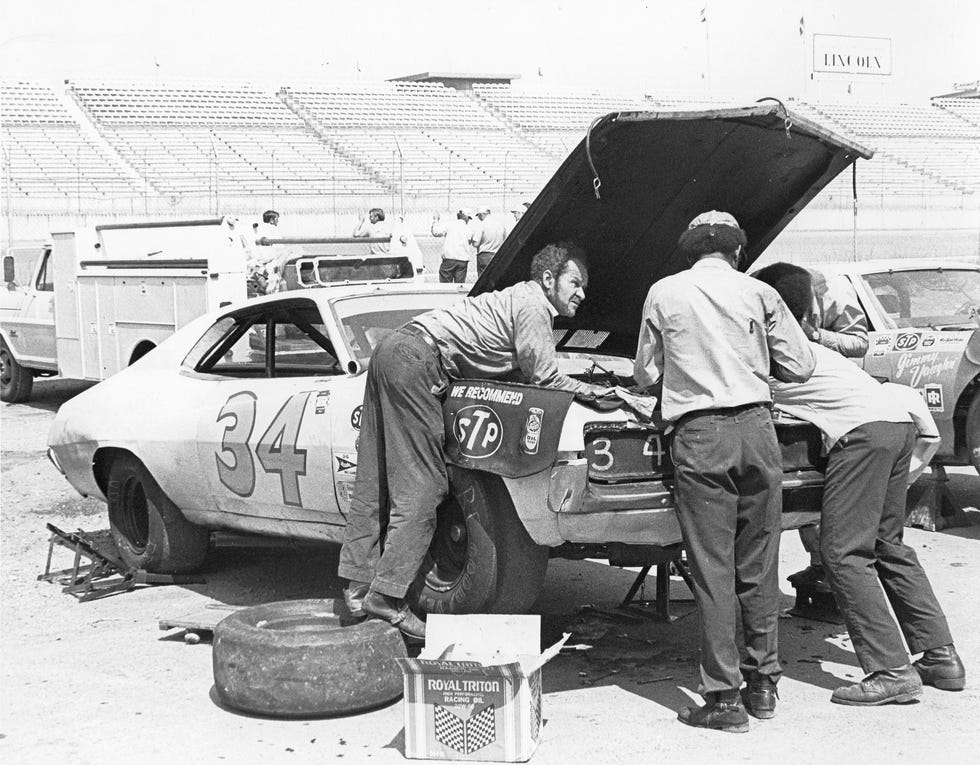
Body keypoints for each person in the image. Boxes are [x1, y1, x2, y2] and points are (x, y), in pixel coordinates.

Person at [338, 242, 612, 640]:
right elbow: (546, 378)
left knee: (374, 478)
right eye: (575, 283)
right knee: (424, 486)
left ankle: (357, 587)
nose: (581, 294)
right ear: (548, 279)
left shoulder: (510, 299)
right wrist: (602, 393)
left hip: (394, 350)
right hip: (417, 361)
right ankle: (388, 598)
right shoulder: (535, 306)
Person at [634, 210, 816, 732]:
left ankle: (723, 699)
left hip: (700, 435)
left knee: (712, 570)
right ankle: (763, 685)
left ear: (689, 252)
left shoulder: (664, 292)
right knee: (758, 564)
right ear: (737, 252)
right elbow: (800, 366)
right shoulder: (759, 294)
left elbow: (645, 372)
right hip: (759, 431)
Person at [754, 264, 966, 705]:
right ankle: (939, 655)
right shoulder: (810, 346)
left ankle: (890, 670)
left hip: (863, 435)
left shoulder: (773, 355)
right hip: (896, 425)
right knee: (887, 545)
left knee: (843, 552)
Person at [754, 263, 870, 592]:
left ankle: (826, 570)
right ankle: (820, 564)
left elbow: (860, 343)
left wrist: (813, 337)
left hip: (828, 394)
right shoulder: (762, 289)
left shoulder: (834, 293)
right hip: (796, 392)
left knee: (819, 487)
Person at [431, 208, 478, 283]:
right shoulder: (469, 229)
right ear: (465, 217)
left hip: (449, 259)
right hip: (463, 260)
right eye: (468, 218)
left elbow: (435, 232)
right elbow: (470, 242)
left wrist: (435, 220)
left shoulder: (449, 224)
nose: (468, 220)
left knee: (445, 286)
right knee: (459, 286)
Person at [473, 206, 508, 277]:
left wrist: (472, 241)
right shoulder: (500, 224)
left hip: (484, 256)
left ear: (481, 214)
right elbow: (504, 239)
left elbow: (476, 244)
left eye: (478, 216)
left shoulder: (482, 225)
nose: (478, 218)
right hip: (497, 255)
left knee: (482, 280)